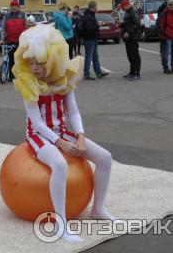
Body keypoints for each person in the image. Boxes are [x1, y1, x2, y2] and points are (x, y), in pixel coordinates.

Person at [12, 24, 114, 242]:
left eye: (38, 62)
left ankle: (98, 209)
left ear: (51, 59)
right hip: (38, 136)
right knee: (59, 165)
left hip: (61, 132)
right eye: (30, 62)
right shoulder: (28, 83)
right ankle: (61, 223)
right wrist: (60, 143)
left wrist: (80, 136)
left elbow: (74, 112)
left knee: (105, 158)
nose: (34, 67)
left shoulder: (64, 80)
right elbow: (37, 123)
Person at [77, 1, 109, 80]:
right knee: (89, 57)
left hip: (92, 38)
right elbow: (89, 28)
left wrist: (96, 24)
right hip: (89, 39)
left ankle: (98, 72)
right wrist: (98, 25)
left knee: (95, 57)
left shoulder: (90, 15)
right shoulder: (88, 16)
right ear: (93, 7)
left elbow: (90, 26)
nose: (97, 8)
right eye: (96, 7)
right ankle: (86, 74)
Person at [0, 1, 27, 81]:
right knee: (11, 59)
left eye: (15, 6)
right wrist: (2, 39)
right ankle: (11, 76)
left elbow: (26, 26)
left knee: (20, 59)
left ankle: (20, 75)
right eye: (12, 6)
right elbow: (3, 29)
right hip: (10, 41)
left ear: (18, 7)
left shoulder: (23, 15)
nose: (13, 7)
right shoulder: (6, 16)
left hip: (21, 41)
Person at [158, 0, 173, 74]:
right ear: (167, 5)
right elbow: (159, 26)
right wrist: (162, 36)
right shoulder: (164, 14)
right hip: (167, 37)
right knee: (166, 53)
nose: (172, 6)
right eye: (170, 4)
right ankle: (166, 68)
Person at [120, 0, 141, 80]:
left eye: (123, 7)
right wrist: (120, 24)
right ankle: (132, 71)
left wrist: (128, 32)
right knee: (130, 55)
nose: (122, 9)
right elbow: (127, 24)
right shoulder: (128, 12)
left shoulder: (133, 12)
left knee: (135, 55)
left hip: (133, 37)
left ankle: (136, 72)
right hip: (128, 38)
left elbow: (137, 24)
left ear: (127, 5)